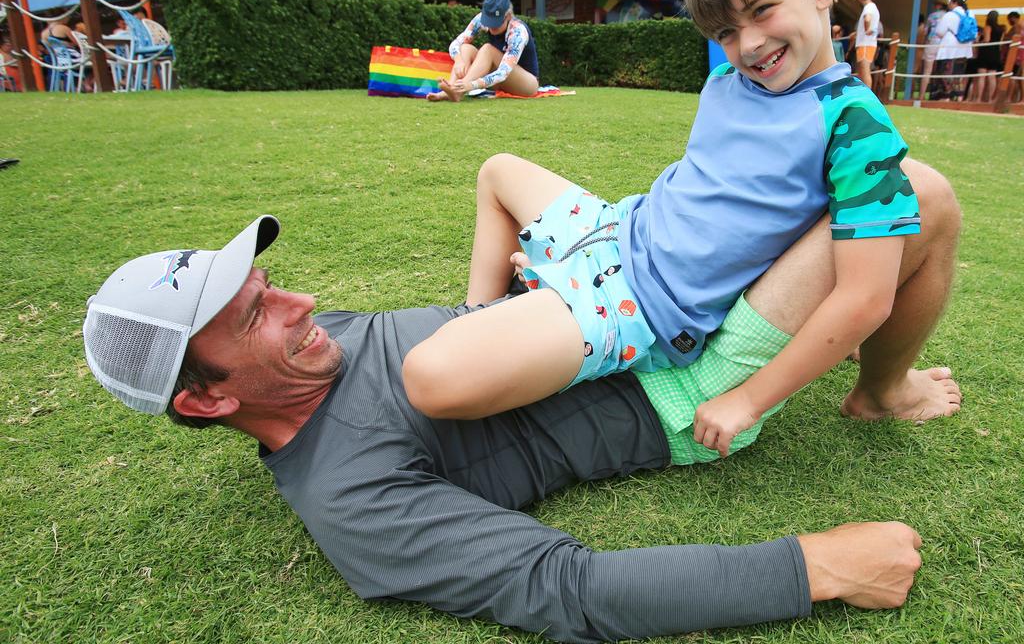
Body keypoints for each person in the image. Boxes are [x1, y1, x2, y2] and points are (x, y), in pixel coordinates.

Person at [83, 176, 960, 639]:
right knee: (911, 196)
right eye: (254, 315)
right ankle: (880, 390)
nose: (303, 302)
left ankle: (876, 384)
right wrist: (815, 568)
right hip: (681, 389)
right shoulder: (351, 500)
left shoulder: (319, 342)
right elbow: (569, 590)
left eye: (267, 284)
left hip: (631, 303)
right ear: (207, 400)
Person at [403, 0, 958, 460]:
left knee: (430, 375)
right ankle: (482, 313)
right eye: (724, 31)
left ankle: (521, 307)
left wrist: (746, 400)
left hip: (637, 304)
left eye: (763, 10)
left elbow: (865, 296)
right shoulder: (730, 82)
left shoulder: (855, 124)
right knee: (498, 172)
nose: (749, 45)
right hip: (615, 227)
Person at [426, 0, 539, 102]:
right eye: (489, 22)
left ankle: (458, 90)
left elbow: (503, 72)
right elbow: (456, 43)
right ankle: (452, 88)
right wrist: (459, 60)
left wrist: (471, 85)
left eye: (496, 23)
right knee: (465, 48)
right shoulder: (481, 19)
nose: (491, 27)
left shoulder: (517, 31)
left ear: (508, 16)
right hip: (498, 80)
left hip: (526, 84)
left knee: (487, 49)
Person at [932, 0, 974, 101]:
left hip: (949, 49)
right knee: (959, 74)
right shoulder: (970, 14)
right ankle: (959, 97)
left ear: (954, 3)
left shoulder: (950, 15)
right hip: (965, 49)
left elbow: (939, 31)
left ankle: (946, 96)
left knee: (946, 73)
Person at [919, 0, 949, 101]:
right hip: (945, 46)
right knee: (943, 71)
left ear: (939, 5)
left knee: (927, 71)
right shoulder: (949, 16)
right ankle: (945, 96)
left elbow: (926, 32)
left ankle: (921, 96)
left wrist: (922, 43)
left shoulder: (932, 16)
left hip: (932, 43)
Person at [971, 10, 1005, 103]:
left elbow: (987, 40)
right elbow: (1000, 43)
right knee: (992, 76)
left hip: (986, 53)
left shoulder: (987, 27)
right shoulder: (1001, 29)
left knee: (982, 76)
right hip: (995, 53)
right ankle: (990, 98)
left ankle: (979, 98)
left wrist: (978, 42)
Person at [854, 0, 880, 89]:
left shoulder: (868, 7)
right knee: (863, 72)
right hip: (868, 43)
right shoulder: (873, 7)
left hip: (865, 43)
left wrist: (866, 29)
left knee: (865, 71)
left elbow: (867, 18)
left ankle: (868, 97)